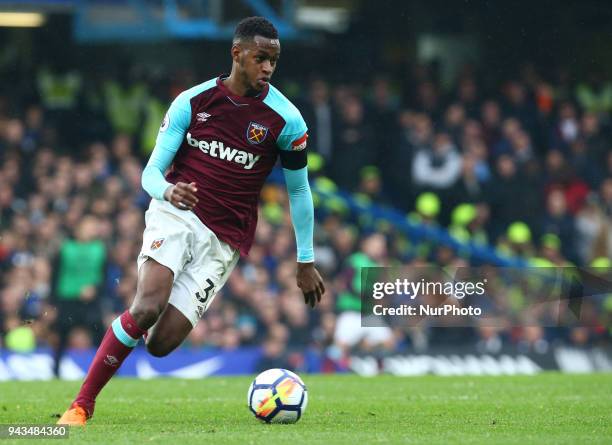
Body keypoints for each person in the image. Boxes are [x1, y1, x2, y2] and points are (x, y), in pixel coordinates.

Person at [57, 16, 325, 425]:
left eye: (273, 60)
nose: (268, 68)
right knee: (147, 306)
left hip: (225, 239)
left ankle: (126, 331)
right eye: (260, 58)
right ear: (237, 54)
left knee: (161, 345)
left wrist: (305, 260)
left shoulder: (286, 120)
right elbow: (150, 174)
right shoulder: (192, 101)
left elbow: (299, 191)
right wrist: (167, 191)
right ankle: (81, 405)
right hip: (176, 214)